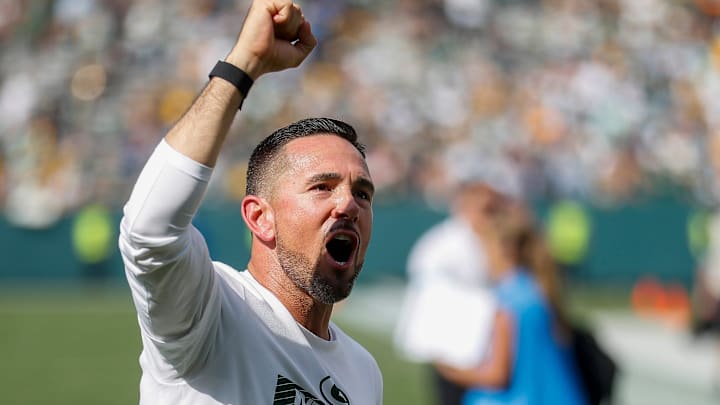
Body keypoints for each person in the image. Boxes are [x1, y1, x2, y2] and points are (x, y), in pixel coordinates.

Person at [117, 1, 382, 404]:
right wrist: (245, 64)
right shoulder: (213, 312)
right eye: (322, 187)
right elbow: (149, 229)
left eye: (362, 193)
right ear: (260, 218)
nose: (348, 204)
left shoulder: (363, 373)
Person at [436, 198, 588, 405]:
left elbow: (498, 376)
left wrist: (450, 370)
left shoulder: (503, 301)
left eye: (485, 248)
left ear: (502, 250)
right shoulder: (539, 290)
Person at [394, 179, 507, 405]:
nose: (491, 217)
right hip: (456, 338)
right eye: (486, 210)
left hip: (485, 335)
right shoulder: (445, 242)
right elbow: (426, 284)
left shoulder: (491, 240)